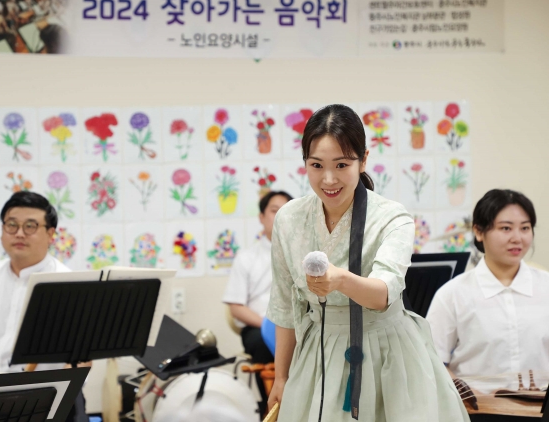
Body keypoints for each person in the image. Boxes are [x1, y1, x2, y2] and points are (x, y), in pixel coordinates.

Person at [266, 104, 468, 422]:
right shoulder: (289, 218)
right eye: (316, 165)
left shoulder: (392, 217)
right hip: (319, 350)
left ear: (363, 161)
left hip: (388, 350)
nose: (328, 179)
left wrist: (340, 280)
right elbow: (283, 306)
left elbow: (384, 293)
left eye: (342, 164)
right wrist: (281, 377)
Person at [0, 191, 88, 422]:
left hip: (50, 401)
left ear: (50, 234)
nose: (19, 233)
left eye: (30, 226)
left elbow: (81, 359)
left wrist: (58, 400)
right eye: (11, 225)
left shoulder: (69, 283)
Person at [426, 190, 549, 400]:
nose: (517, 238)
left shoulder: (545, 287)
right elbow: (432, 361)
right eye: (506, 228)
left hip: (540, 410)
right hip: (477, 410)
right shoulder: (452, 295)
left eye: (525, 228)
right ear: (479, 231)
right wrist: (471, 396)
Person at [222, 190, 293, 410]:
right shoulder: (246, 258)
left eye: (286, 211)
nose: (279, 216)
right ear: (261, 217)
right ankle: (271, 407)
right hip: (258, 326)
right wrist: (268, 326)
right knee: (264, 341)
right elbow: (236, 307)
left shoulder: (302, 254)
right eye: (274, 210)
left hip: (294, 324)